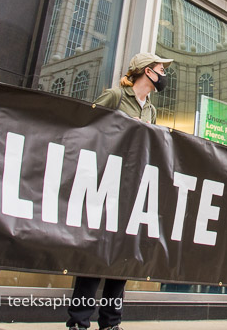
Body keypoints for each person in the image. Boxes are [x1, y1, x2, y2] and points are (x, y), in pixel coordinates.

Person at [67, 52, 173, 330]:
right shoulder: (114, 97)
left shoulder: (151, 110)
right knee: (95, 254)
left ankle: (111, 322)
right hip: (105, 185)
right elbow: (90, 129)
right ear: (147, 72)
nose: (165, 75)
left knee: (123, 256)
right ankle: (79, 320)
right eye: (161, 69)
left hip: (132, 190)